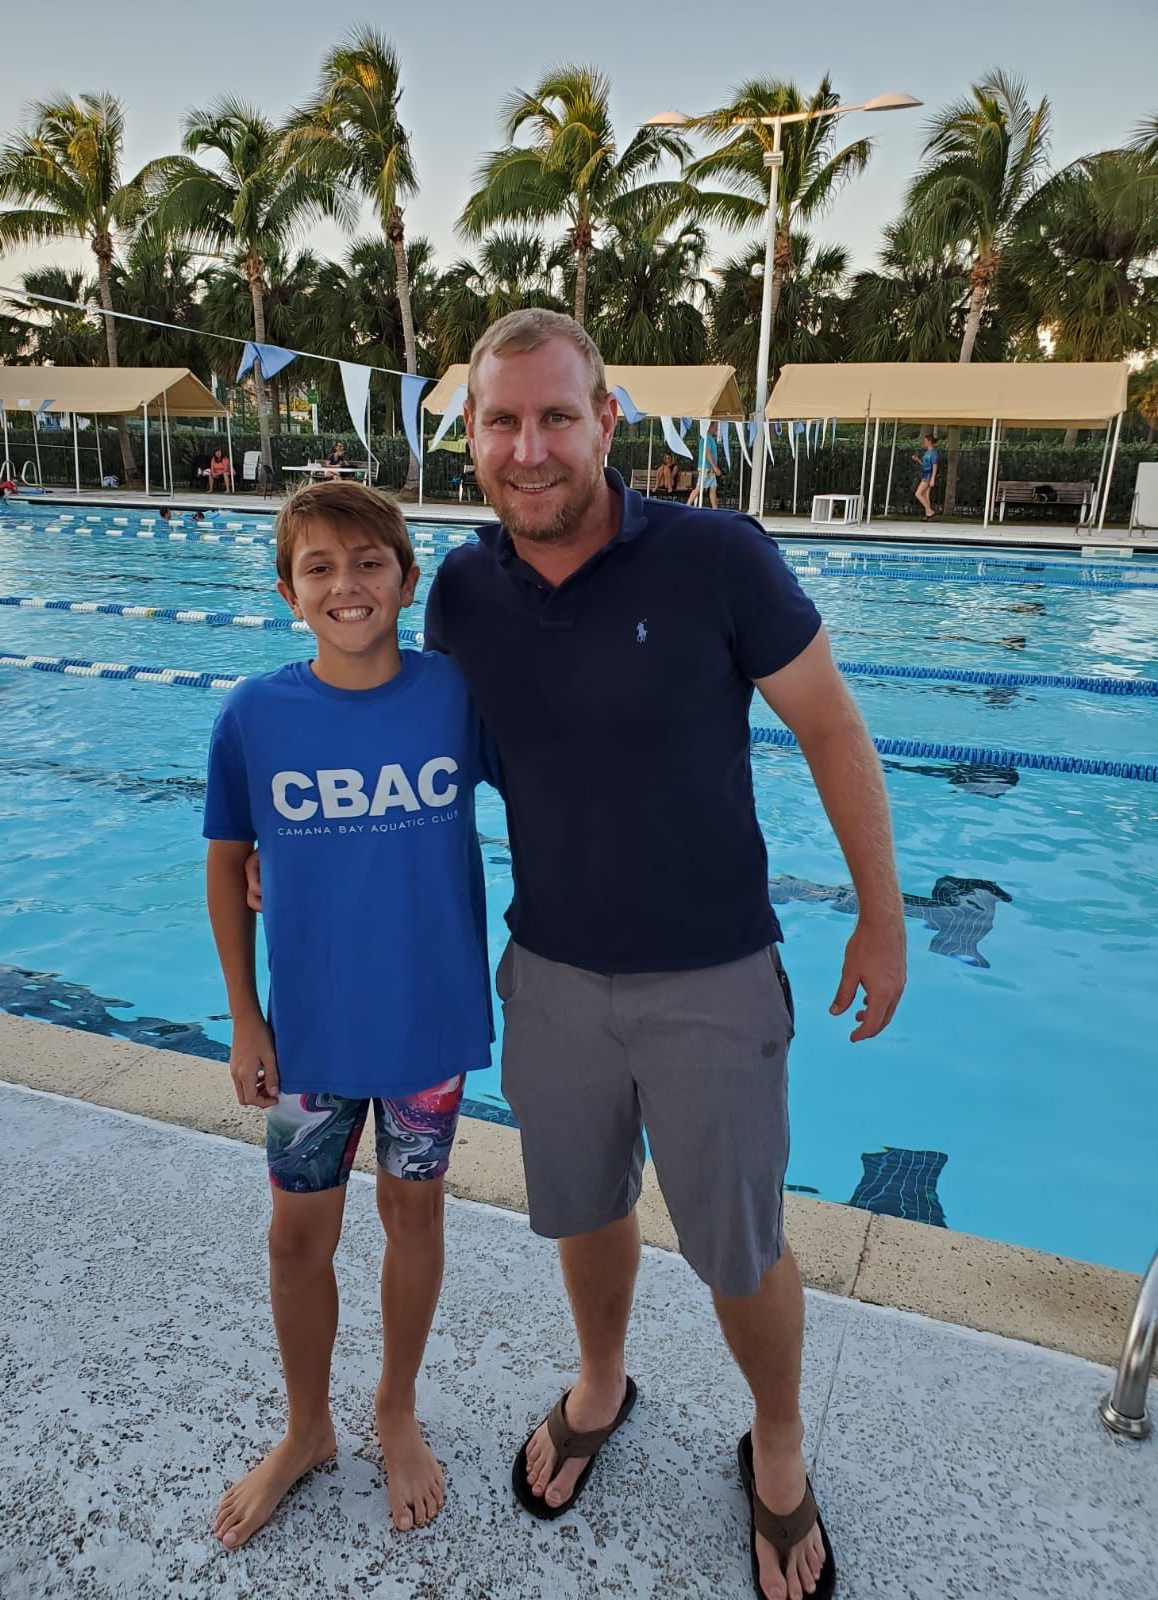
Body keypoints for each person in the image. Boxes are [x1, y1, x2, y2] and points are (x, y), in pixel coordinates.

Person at [423, 311, 905, 1600]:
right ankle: (600, 1380)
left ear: (607, 421)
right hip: (555, 975)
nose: (531, 447)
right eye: (503, 421)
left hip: (711, 976)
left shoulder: (717, 558)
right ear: (471, 435)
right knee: (583, 1207)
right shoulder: (461, 590)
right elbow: (417, 772)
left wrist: (881, 911)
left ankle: (781, 1441)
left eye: (556, 416)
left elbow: (831, 726)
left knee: (739, 1245)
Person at [204, 480, 492, 1549]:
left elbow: (560, 777)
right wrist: (245, 1019)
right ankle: (308, 1425)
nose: (347, 585)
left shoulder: (455, 697)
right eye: (319, 567)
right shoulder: (255, 716)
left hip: (428, 1026)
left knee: (415, 1217)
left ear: (407, 579)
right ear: (289, 593)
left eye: (369, 561)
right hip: (313, 1034)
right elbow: (226, 862)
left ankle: (395, 1405)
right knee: (296, 1240)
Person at [688, 420, 720, 509]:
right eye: (715, 426)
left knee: (713, 488)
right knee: (699, 488)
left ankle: (715, 508)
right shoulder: (706, 438)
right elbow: (708, 453)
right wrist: (715, 467)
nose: (716, 428)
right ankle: (687, 505)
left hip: (710, 468)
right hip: (706, 468)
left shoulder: (710, 438)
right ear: (711, 426)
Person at [912, 433, 939, 520]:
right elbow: (925, 465)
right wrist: (918, 460)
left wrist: (933, 478)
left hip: (929, 474)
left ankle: (930, 511)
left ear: (929, 441)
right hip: (926, 473)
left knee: (918, 493)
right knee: (925, 494)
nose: (924, 442)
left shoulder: (933, 452)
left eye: (925, 441)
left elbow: (935, 465)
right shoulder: (927, 452)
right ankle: (928, 514)